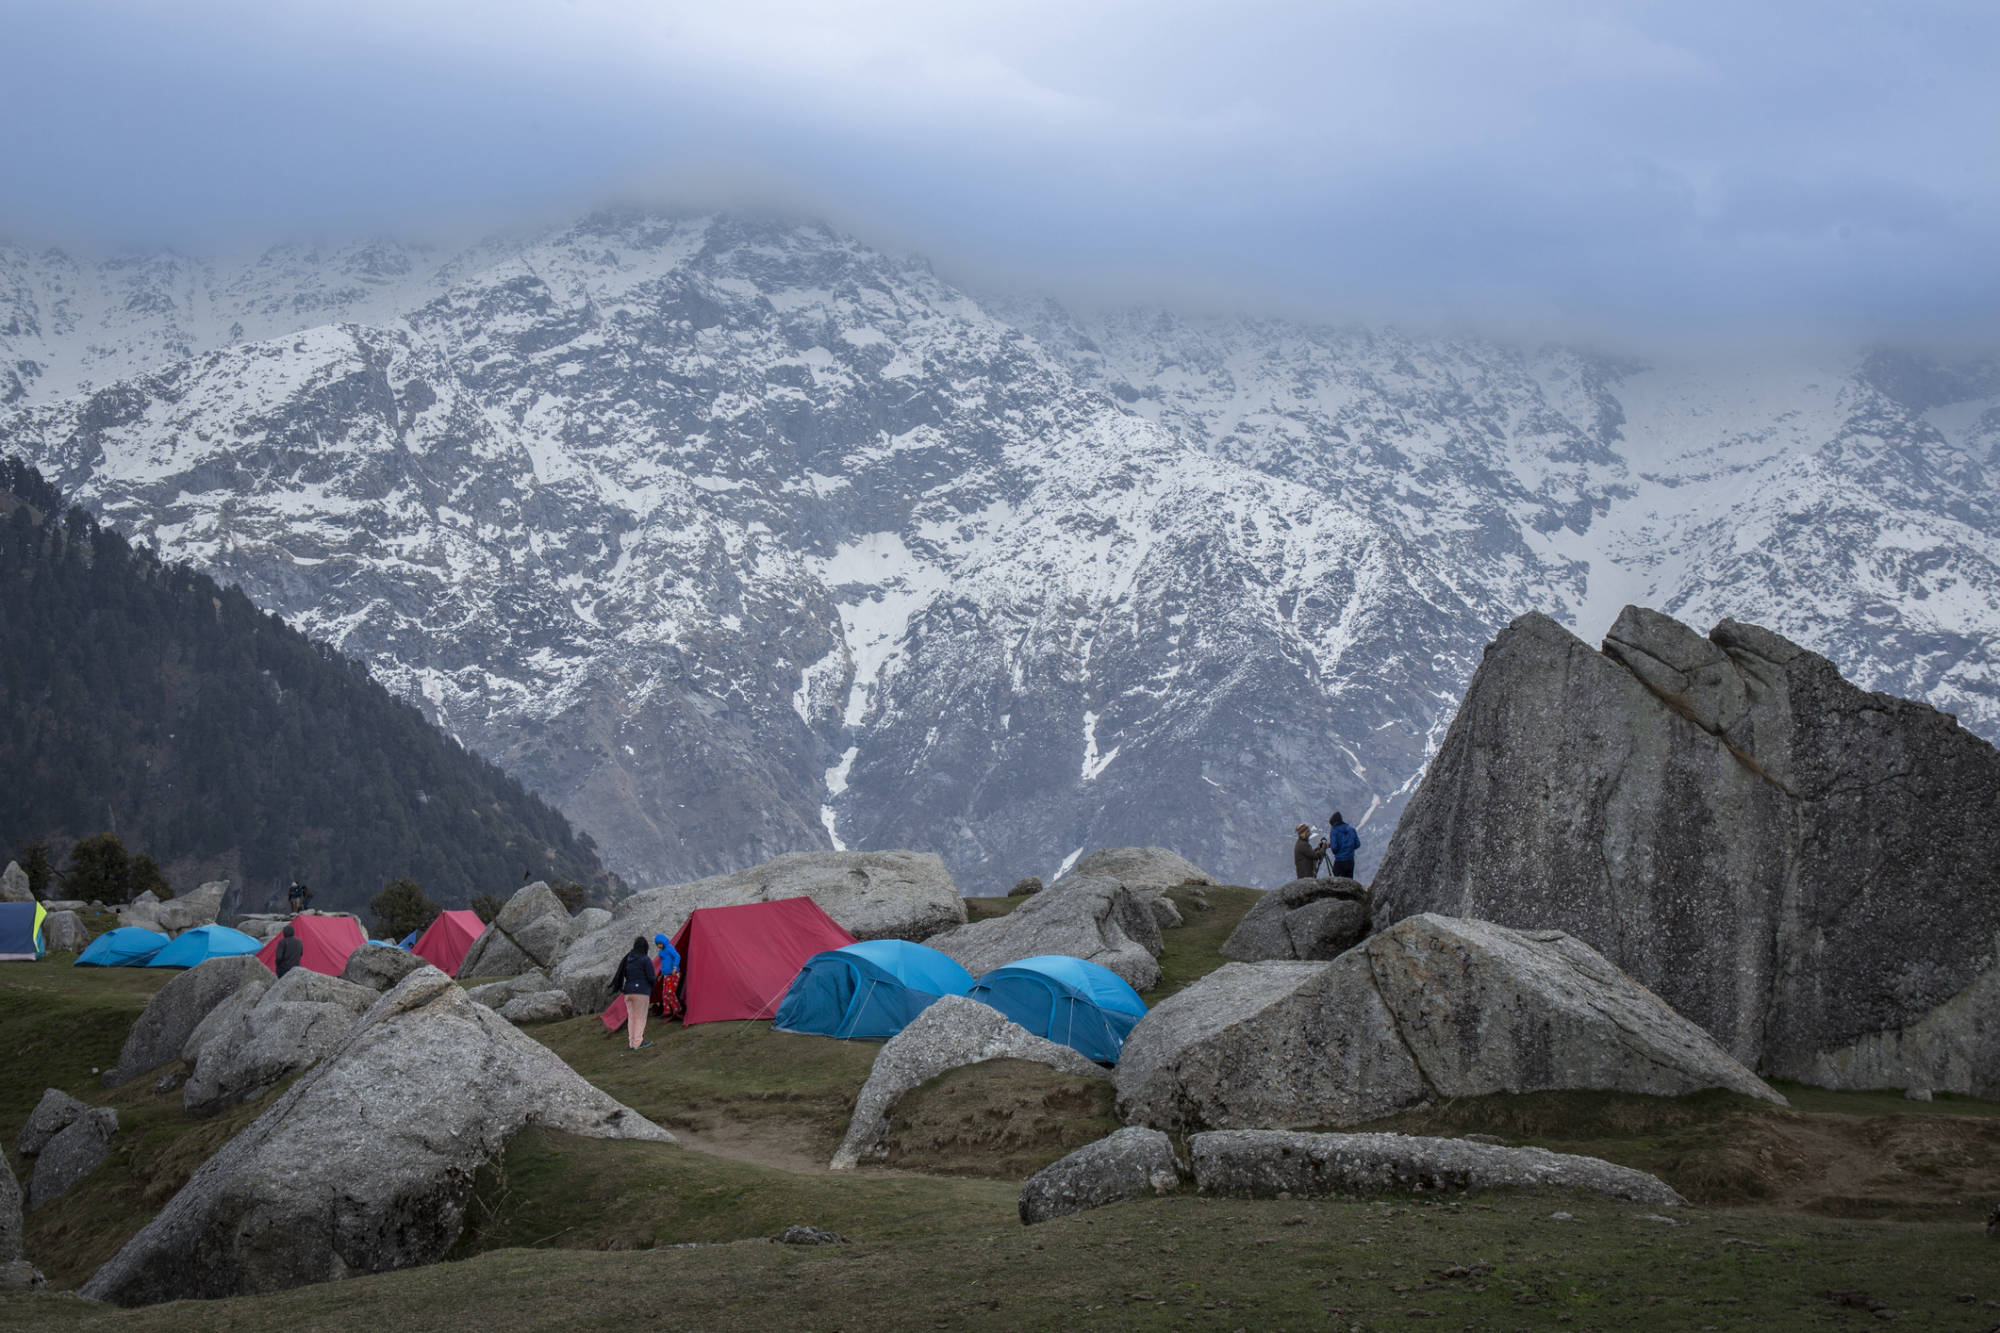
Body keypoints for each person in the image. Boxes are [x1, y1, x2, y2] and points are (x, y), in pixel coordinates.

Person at [614, 936, 656, 1051]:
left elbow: (626, 974)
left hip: (628, 992)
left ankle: (632, 1042)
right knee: (640, 1018)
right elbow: (651, 977)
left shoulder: (628, 959)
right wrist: (652, 985)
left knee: (632, 1017)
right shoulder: (645, 959)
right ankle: (638, 1042)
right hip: (641, 992)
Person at [652, 932, 683, 1022]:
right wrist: (661, 975)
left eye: (660, 944)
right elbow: (664, 964)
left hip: (673, 974)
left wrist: (674, 967)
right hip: (666, 975)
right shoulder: (661, 952)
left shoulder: (670, 948)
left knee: (670, 993)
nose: (659, 946)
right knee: (664, 994)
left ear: (664, 943)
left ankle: (678, 1009)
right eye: (657, 944)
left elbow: (677, 956)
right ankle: (667, 1011)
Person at [1326, 812, 1360, 879]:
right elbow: (1357, 844)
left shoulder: (1334, 830)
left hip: (1340, 861)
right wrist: (1349, 849)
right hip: (1350, 860)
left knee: (1339, 882)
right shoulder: (1351, 829)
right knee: (1349, 881)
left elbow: (1334, 848)